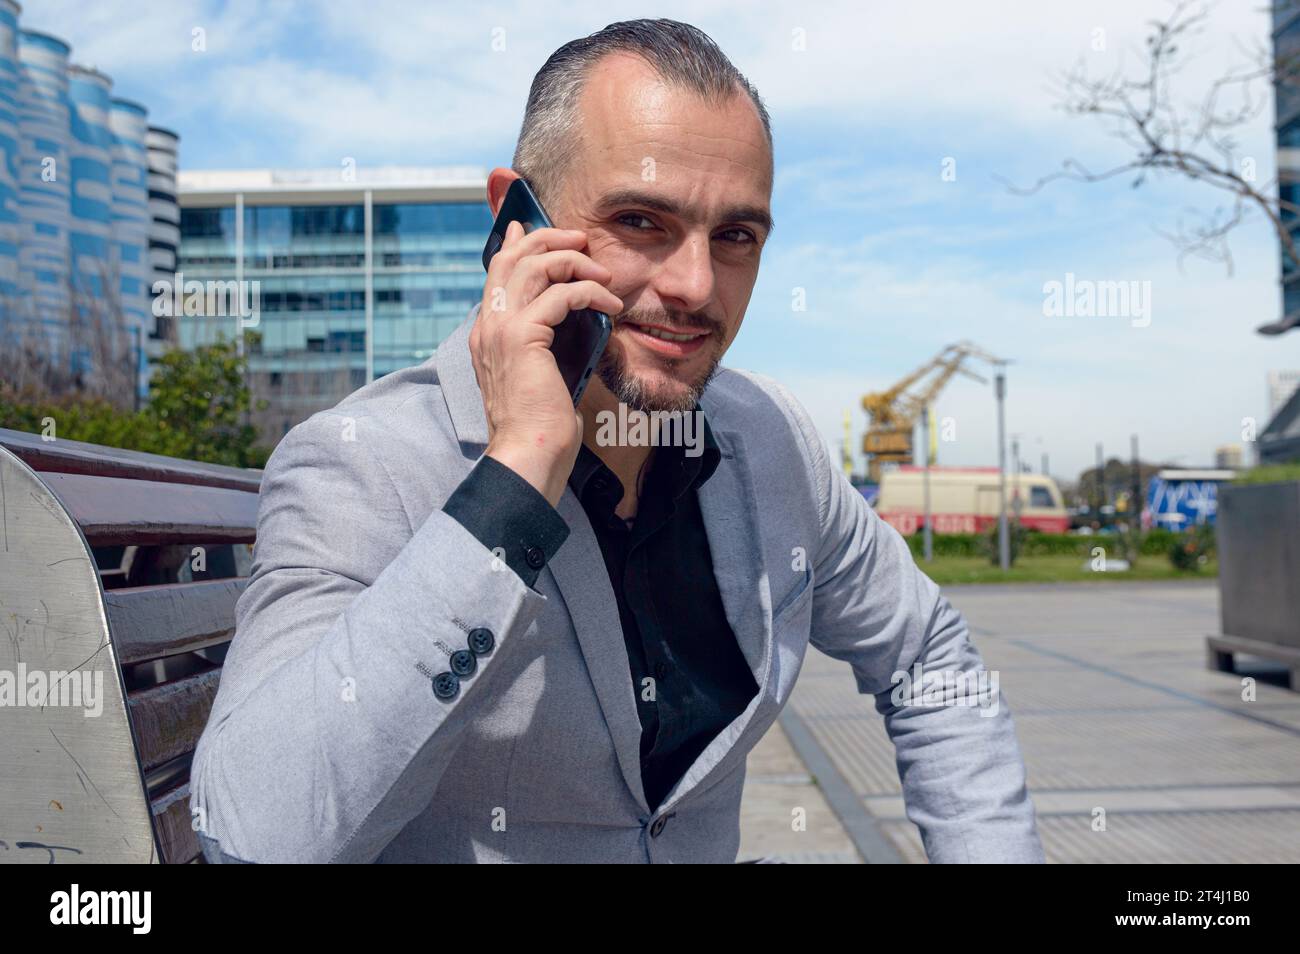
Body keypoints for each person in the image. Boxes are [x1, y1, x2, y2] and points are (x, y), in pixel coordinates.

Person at [191, 17, 1044, 864]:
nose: (695, 286)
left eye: (736, 237)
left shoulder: (771, 440)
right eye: (641, 221)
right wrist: (515, 474)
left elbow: (927, 655)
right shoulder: (364, 463)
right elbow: (256, 833)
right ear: (515, 220)